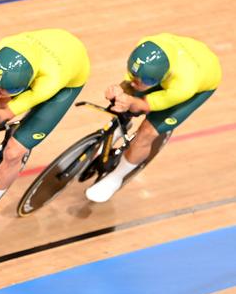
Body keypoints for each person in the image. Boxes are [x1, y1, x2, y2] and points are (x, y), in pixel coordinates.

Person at [0, 28, 90, 241]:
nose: (0, 90)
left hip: (68, 76)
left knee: (14, 152)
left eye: (7, 89)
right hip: (48, 50)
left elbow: (4, 114)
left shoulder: (51, 80)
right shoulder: (4, 50)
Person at [86, 33, 222, 202]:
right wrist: (120, 91)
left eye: (143, 80)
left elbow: (145, 105)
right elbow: (131, 81)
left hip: (198, 84)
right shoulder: (147, 45)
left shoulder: (184, 86)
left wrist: (131, 100)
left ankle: (116, 178)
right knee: (128, 95)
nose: (135, 81)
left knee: (146, 132)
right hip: (181, 60)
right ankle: (119, 128)